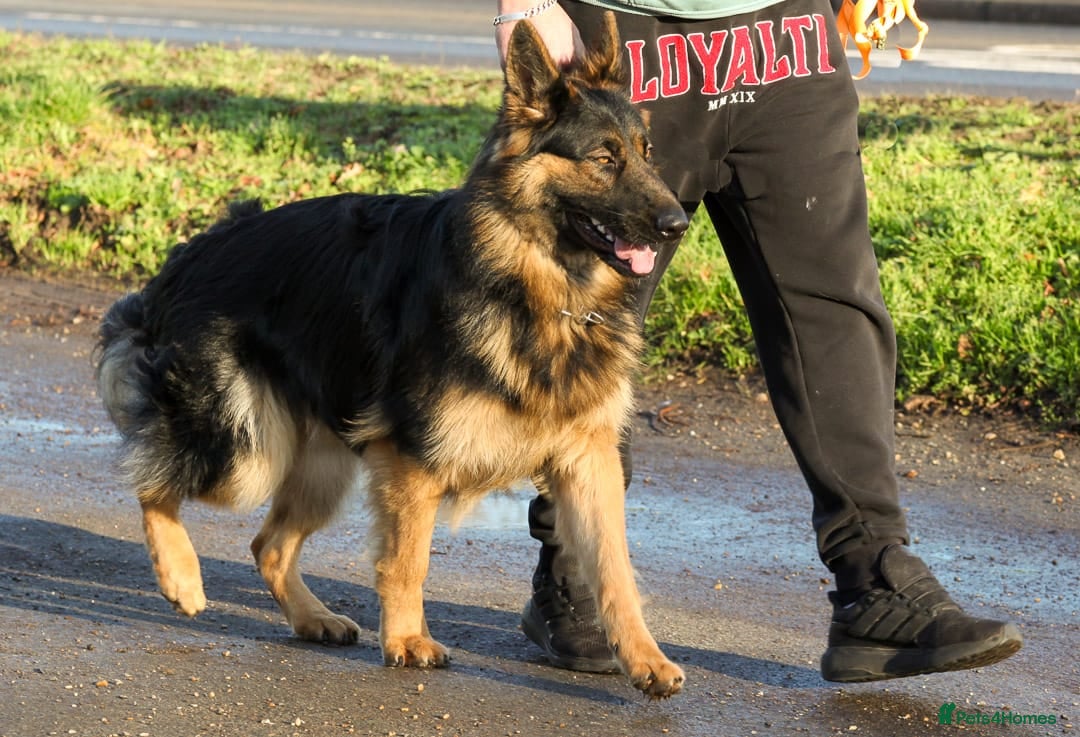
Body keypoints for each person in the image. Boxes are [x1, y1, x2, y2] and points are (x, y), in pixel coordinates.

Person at [492, 0, 1024, 682]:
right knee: (579, 315)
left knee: (834, 307)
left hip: (787, 31)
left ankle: (875, 579)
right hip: (629, 27)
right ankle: (574, 572)